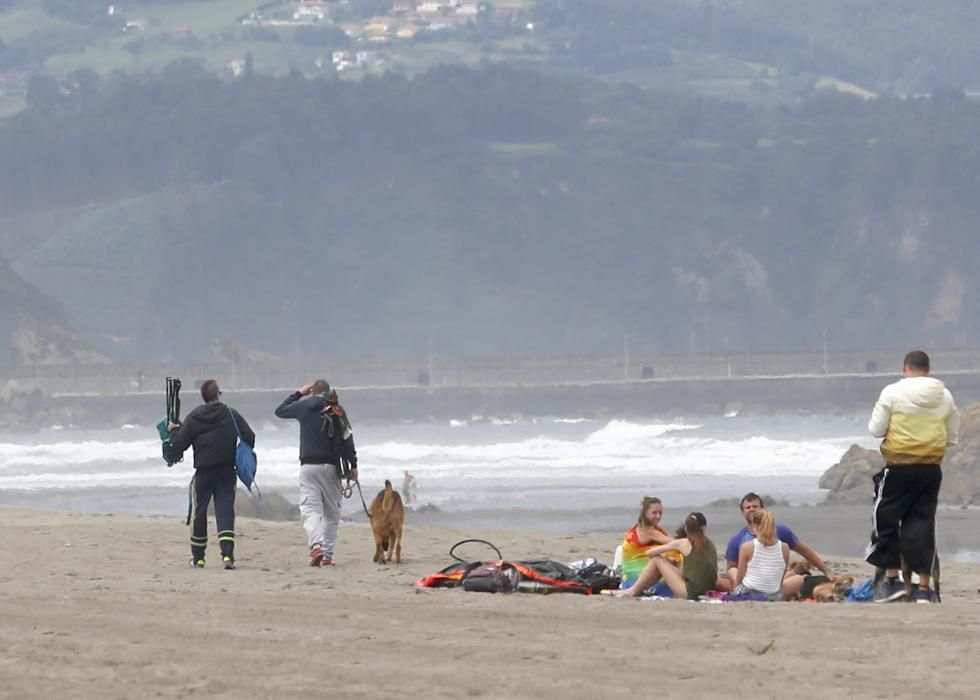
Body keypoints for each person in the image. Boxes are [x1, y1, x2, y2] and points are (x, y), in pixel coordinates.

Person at [866, 350, 959, 603]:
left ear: (905, 367)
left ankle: (893, 580)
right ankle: (923, 589)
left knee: (884, 518)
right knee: (922, 523)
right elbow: (952, 436)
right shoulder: (945, 396)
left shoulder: (892, 392)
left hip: (899, 465)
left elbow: (875, 429)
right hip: (930, 468)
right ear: (928, 369)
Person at [169, 379, 254, 570]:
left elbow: (179, 444)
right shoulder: (231, 415)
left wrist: (174, 432)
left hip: (204, 472)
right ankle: (227, 556)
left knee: (200, 512)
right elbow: (250, 437)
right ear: (218, 395)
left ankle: (198, 558)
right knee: (225, 511)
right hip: (226, 471)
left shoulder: (194, 417)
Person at [275, 379, 357, 567]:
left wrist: (298, 394)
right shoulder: (337, 409)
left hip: (308, 467)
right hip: (330, 467)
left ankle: (316, 546)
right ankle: (327, 555)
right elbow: (347, 438)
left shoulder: (302, 407)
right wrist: (353, 465)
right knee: (331, 513)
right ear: (328, 392)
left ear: (312, 392)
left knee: (310, 510)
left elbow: (279, 411)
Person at [719, 493, 833, 591]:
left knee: (792, 576)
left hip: (774, 579)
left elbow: (804, 551)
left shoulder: (781, 531)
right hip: (753, 580)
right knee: (724, 578)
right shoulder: (737, 540)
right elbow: (732, 570)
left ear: (762, 509)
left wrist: (827, 571)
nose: (752, 509)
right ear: (742, 512)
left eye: (755, 506)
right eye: (748, 507)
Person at [613, 512, 718, 600]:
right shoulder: (711, 544)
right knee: (664, 564)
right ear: (704, 528)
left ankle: (633, 590)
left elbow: (650, 553)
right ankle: (639, 589)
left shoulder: (684, 543)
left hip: (691, 593)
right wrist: (670, 563)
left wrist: (666, 559)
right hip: (708, 590)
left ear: (686, 528)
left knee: (657, 560)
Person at [733, 509, 804, 601]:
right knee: (799, 579)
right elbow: (780, 579)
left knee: (732, 571)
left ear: (754, 526)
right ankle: (783, 598)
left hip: (748, 592)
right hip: (772, 595)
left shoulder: (747, 547)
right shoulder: (784, 548)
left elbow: (739, 579)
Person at [619, 496, 680, 594]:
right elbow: (675, 544)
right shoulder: (648, 531)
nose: (658, 516)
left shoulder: (651, 529)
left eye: (660, 513)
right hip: (636, 577)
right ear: (645, 513)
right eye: (654, 513)